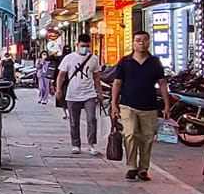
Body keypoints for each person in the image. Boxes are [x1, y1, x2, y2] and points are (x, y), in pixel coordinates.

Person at [105, 31, 171, 181]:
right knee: (130, 134)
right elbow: (117, 83)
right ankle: (131, 167)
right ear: (133, 43)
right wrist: (114, 104)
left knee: (147, 138)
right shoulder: (125, 62)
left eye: (144, 40)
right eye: (138, 40)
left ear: (149, 42)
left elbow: (162, 83)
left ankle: (143, 168)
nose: (141, 43)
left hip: (149, 106)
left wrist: (167, 105)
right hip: (128, 105)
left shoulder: (155, 62)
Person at [57, 37, 103, 156]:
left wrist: (100, 92)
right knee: (74, 121)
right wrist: (58, 89)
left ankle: (91, 144)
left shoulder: (93, 59)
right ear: (77, 45)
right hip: (73, 94)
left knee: (91, 119)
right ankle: (76, 144)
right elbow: (61, 75)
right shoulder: (69, 58)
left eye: (87, 46)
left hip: (89, 93)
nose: (85, 48)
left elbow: (97, 77)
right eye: (83, 46)